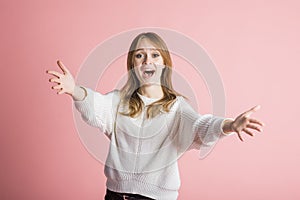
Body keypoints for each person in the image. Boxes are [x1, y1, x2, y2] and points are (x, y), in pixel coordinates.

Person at [46, 32, 264, 200]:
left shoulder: (177, 107)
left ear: (165, 63)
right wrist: (74, 90)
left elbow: (201, 125)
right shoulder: (118, 101)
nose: (147, 60)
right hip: (114, 194)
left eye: (154, 54)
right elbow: (95, 107)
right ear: (132, 65)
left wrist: (230, 125)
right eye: (139, 55)